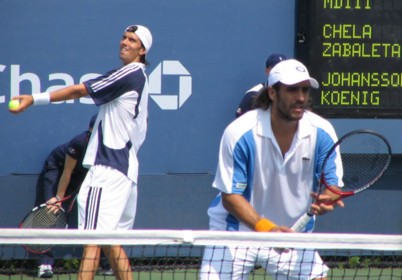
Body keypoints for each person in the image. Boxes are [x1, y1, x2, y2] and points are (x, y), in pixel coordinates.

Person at [10, 24, 153, 280]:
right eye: (123, 37)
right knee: (111, 243)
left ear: (142, 50)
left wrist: (35, 98)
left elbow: (79, 90)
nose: (124, 42)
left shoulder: (130, 74)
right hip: (126, 172)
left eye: (132, 40)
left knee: (91, 242)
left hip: (108, 170)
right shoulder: (141, 79)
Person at [200, 59, 345, 280]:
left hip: (291, 233)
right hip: (236, 232)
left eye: (305, 90)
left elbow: (332, 187)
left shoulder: (322, 132)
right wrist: (267, 229)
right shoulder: (240, 133)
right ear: (272, 93)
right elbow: (231, 197)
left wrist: (329, 198)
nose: (301, 97)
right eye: (292, 90)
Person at [33, 114, 97, 278]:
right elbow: (67, 172)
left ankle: (105, 263)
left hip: (80, 174)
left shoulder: (106, 145)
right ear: (90, 129)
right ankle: (45, 264)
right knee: (50, 212)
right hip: (58, 168)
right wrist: (58, 199)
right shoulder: (79, 143)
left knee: (98, 216)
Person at [235, 53, 287, 118]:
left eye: (284, 69)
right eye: (276, 69)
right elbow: (240, 122)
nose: (281, 72)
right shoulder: (253, 94)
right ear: (267, 71)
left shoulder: (294, 94)